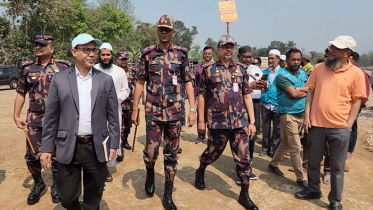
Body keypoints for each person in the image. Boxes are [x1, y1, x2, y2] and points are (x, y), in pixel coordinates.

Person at [40, 33, 120, 210]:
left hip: (96, 146)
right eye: (86, 50)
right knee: (67, 197)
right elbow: (51, 117)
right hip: (68, 145)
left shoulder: (105, 81)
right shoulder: (60, 80)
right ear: (74, 52)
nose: (92, 54)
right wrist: (46, 147)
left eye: (94, 50)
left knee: (94, 196)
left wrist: (114, 143)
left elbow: (113, 116)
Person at [131, 15, 196, 210]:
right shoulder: (148, 54)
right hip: (153, 110)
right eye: (161, 29)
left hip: (175, 112)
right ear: (158, 31)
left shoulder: (181, 55)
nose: (164, 32)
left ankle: (168, 192)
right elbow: (140, 82)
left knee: (172, 153)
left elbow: (188, 82)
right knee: (151, 152)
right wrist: (135, 108)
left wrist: (192, 109)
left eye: (167, 29)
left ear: (173, 32)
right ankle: (150, 173)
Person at [295, 36, 367, 210]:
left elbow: (357, 101)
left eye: (337, 48)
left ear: (347, 53)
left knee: (337, 166)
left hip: (340, 127)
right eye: (331, 47)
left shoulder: (356, 73)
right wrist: (307, 117)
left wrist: (349, 125)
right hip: (316, 124)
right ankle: (313, 189)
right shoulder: (319, 68)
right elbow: (310, 93)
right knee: (313, 161)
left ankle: (335, 199)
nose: (331, 50)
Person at [195, 35, 258, 210]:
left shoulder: (241, 70)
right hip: (217, 121)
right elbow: (201, 95)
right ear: (218, 49)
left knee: (244, 158)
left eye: (231, 47)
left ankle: (244, 195)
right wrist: (201, 120)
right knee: (213, 153)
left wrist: (252, 121)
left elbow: (246, 95)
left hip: (239, 122)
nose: (228, 50)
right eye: (225, 47)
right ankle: (201, 168)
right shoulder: (208, 70)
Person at [13, 35, 70, 205]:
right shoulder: (27, 68)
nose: (38, 47)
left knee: (57, 155)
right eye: (37, 44)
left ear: (51, 48)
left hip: (58, 119)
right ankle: (38, 183)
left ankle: (56, 185)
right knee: (32, 155)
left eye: (43, 45)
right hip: (35, 119)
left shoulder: (63, 67)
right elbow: (21, 93)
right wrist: (16, 115)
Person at [267, 48, 308, 189]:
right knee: (295, 147)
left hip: (301, 114)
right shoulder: (281, 76)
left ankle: (273, 164)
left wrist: (299, 91)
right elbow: (293, 93)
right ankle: (300, 178)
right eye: (293, 59)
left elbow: (311, 88)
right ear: (287, 60)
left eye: (298, 59)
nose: (296, 62)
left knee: (285, 142)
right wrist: (299, 92)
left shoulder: (302, 74)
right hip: (288, 114)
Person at [94, 43, 130, 181]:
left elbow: (125, 90)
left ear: (112, 55)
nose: (105, 57)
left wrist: (115, 99)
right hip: (96, 111)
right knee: (97, 138)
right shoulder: (93, 69)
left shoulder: (119, 72)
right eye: (102, 55)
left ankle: (107, 169)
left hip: (114, 110)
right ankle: (98, 167)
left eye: (108, 54)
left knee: (111, 138)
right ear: (99, 55)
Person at [237, 45, 266, 181]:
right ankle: (240, 170)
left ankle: (249, 166)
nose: (248, 60)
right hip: (240, 105)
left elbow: (264, 86)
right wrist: (250, 86)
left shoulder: (256, 69)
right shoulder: (234, 69)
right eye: (245, 57)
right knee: (241, 136)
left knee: (252, 134)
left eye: (250, 57)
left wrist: (264, 85)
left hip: (255, 104)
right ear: (239, 57)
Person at [345, 52, 370, 168]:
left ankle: (349, 150)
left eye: (350, 60)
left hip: (355, 107)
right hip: (347, 107)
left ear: (355, 61)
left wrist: (358, 107)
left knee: (352, 128)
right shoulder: (349, 73)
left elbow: (363, 94)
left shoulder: (361, 74)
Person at [260, 49, 284, 157]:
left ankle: (275, 151)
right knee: (265, 128)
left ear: (278, 59)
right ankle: (265, 148)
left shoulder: (283, 73)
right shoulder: (264, 72)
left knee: (277, 130)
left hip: (278, 104)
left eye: (272, 58)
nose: (270, 60)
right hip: (266, 103)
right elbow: (260, 87)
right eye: (269, 58)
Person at [116, 51, 136, 153]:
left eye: (125, 59)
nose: (124, 61)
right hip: (118, 103)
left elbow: (137, 86)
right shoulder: (114, 71)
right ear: (117, 59)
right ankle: (118, 146)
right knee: (119, 125)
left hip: (129, 103)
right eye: (122, 59)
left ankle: (124, 140)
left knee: (128, 125)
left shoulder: (132, 71)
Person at [194, 46, 214, 144]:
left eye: (209, 53)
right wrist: (195, 96)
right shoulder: (199, 67)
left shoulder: (215, 67)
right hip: (201, 95)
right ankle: (200, 136)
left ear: (212, 54)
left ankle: (211, 138)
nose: (207, 55)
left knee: (211, 117)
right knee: (200, 116)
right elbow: (196, 83)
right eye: (205, 53)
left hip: (212, 96)